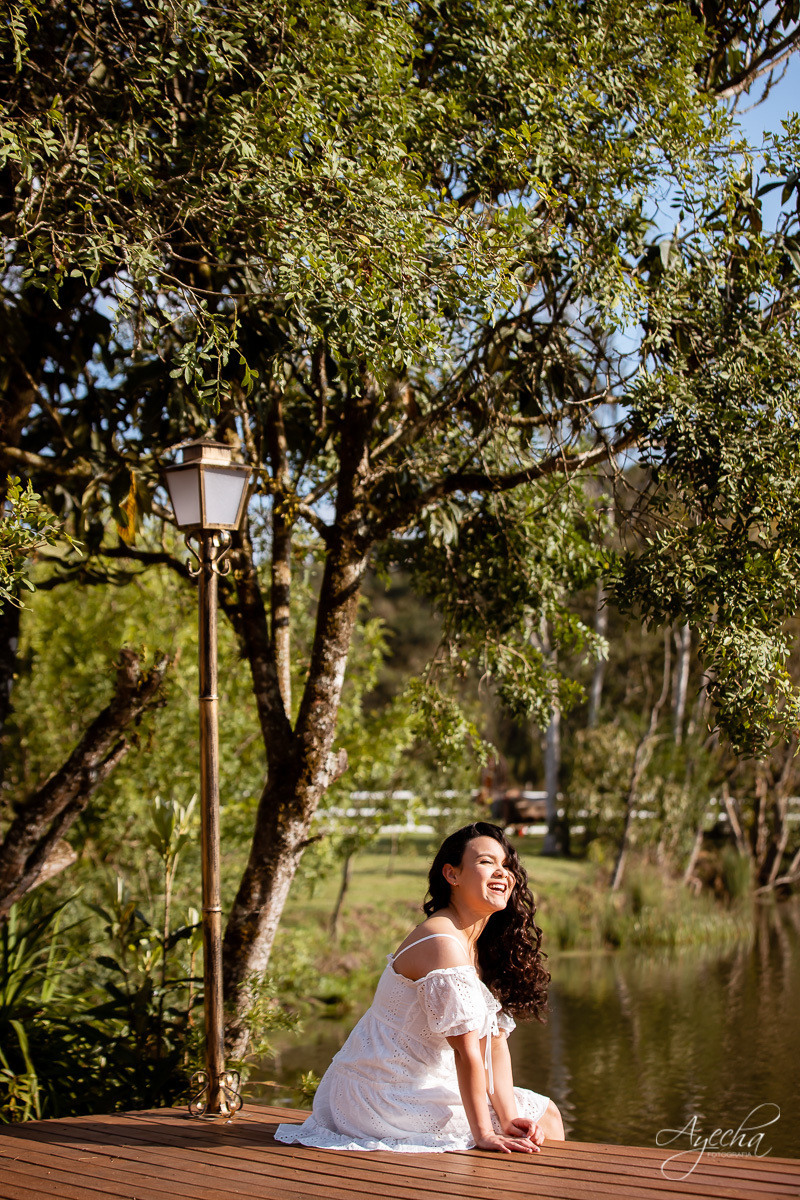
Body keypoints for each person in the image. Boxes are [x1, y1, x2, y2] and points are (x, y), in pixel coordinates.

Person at [275, 822, 565, 1154]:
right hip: (383, 1094)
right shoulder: (442, 941)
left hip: (420, 1084)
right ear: (452, 875)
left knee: (539, 1116)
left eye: (506, 865)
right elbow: (466, 1050)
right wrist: (484, 1133)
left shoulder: (476, 944)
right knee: (544, 1120)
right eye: (486, 862)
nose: (501, 873)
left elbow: (494, 1045)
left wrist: (509, 1116)